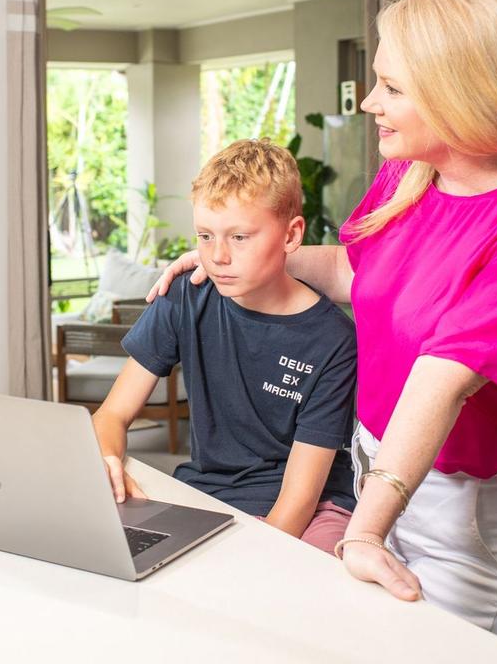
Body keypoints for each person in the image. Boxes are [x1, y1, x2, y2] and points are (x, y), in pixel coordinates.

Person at [150, 0, 497, 648]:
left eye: (390, 88)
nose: (369, 104)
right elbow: (361, 274)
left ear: (457, 92)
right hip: (386, 480)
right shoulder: (413, 175)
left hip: (481, 519)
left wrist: (364, 528)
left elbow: (444, 378)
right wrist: (247, 261)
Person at [93, 139, 357, 554]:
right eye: (204, 235)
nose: (217, 256)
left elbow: (297, 502)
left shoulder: (334, 339)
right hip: (208, 490)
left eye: (239, 237)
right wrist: (107, 461)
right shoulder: (185, 296)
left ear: (292, 236)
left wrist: (248, 560)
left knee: (305, 576)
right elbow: (112, 415)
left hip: (312, 507)